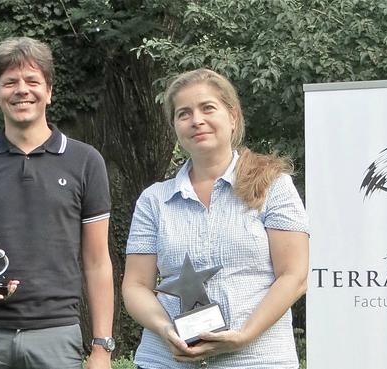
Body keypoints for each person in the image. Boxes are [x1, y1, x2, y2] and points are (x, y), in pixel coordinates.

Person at [122, 68, 309, 369]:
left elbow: (295, 276)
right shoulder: (153, 200)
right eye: (184, 114)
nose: (196, 120)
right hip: (166, 361)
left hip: (257, 360)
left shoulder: (274, 185)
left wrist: (245, 336)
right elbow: (135, 286)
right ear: (175, 126)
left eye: (208, 108)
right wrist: (166, 330)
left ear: (233, 117)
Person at [0, 37, 114, 369]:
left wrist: (102, 347)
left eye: (32, 81)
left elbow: (98, 262)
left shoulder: (85, 161)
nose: (22, 90)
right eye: (10, 82)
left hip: (57, 334)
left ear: (49, 91)